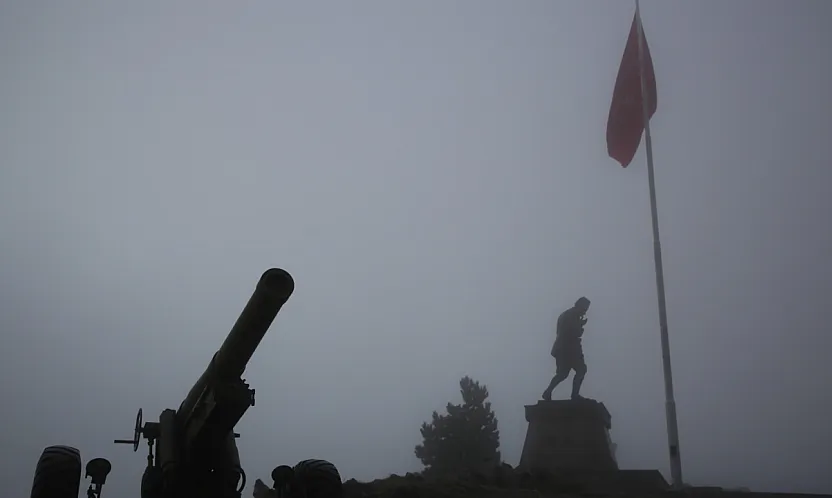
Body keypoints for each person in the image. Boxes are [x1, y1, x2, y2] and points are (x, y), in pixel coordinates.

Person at [542, 297, 590, 401]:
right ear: (580, 305)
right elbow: (571, 332)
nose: (585, 311)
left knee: (562, 374)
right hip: (568, 349)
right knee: (580, 369)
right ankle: (574, 395)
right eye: (585, 308)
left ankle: (548, 392)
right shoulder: (572, 315)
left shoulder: (568, 314)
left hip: (563, 348)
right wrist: (580, 326)